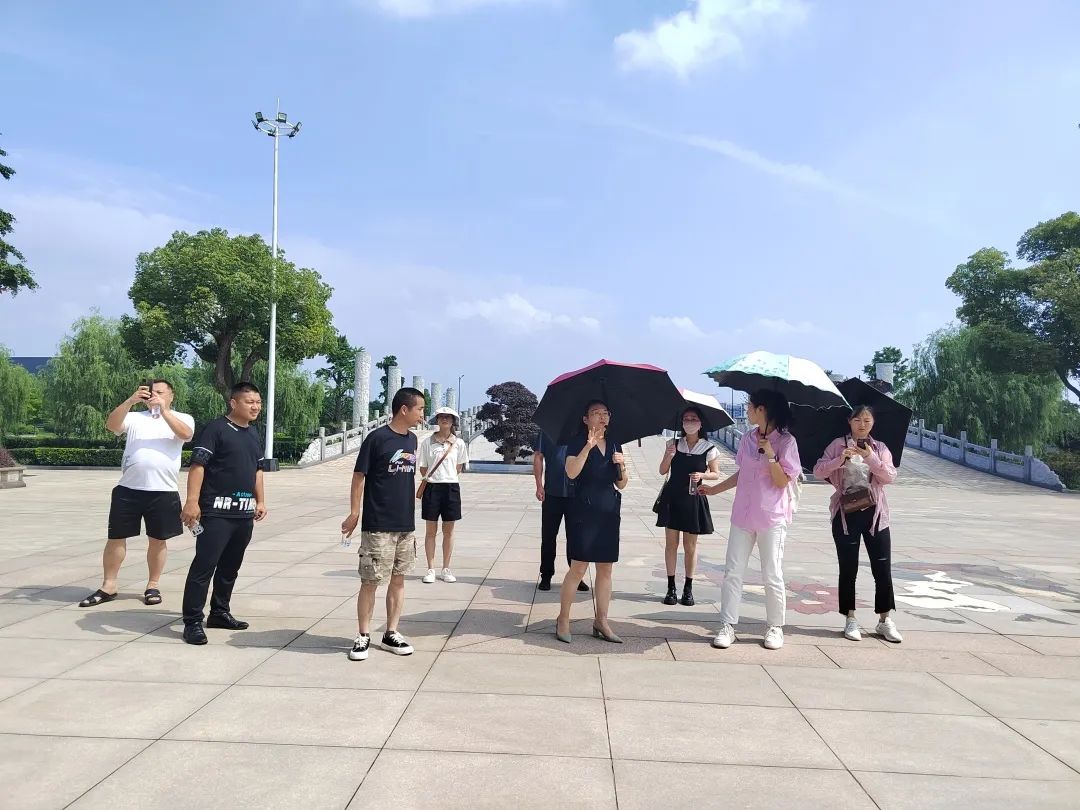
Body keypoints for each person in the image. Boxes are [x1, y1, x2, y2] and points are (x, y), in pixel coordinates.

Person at [79, 380, 195, 608]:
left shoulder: (182, 418)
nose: (154, 396)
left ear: (171, 395)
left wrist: (164, 411)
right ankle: (109, 585)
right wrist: (130, 401)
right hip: (128, 489)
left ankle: (153, 585)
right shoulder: (134, 418)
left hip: (163, 490)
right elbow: (111, 425)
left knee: (158, 540)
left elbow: (186, 434)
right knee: (116, 537)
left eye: (160, 392)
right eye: (151, 393)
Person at [699, 389, 800, 651]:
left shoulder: (786, 442)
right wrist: (715, 490)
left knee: (771, 573)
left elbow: (782, 481)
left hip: (771, 516)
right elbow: (742, 474)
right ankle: (727, 625)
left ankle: (775, 627)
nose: (747, 410)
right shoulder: (747, 438)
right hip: (743, 514)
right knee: (733, 570)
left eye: (750, 406)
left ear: (762, 409)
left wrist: (771, 455)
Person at [341, 387, 427, 661]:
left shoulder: (412, 440)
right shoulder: (377, 439)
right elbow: (359, 476)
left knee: (398, 580)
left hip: (405, 524)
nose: (422, 415)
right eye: (420, 409)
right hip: (378, 523)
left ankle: (391, 632)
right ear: (404, 409)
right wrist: (354, 512)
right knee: (371, 581)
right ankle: (363, 635)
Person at [180, 382, 268, 645]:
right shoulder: (216, 429)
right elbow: (198, 466)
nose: (255, 407)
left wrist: (261, 501)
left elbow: (257, 470)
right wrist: (192, 501)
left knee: (230, 567)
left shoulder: (253, 433)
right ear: (233, 403)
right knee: (204, 566)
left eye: (258, 402)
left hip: (243, 514)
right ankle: (192, 621)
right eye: (249, 402)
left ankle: (219, 612)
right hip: (215, 512)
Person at [813, 404, 903, 643]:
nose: (862, 425)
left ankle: (885, 620)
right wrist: (839, 460)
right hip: (846, 514)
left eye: (867, 420)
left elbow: (890, 476)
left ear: (873, 423)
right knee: (848, 568)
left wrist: (870, 457)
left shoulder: (879, 448)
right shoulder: (837, 445)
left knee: (882, 568)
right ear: (849, 421)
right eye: (857, 420)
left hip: (875, 514)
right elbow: (818, 471)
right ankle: (850, 618)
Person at [555, 400, 628, 645]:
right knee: (578, 568)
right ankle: (563, 619)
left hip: (609, 510)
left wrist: (622, 464)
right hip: (583, 509)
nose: (602, 416)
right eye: (596, 413)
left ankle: (601, 621)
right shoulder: (576, 442)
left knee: (606, 569)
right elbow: (571, 472)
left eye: (605, 413)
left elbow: (621, 483)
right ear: (586, 419)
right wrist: (588, 446)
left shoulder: (615, 444)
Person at [656, 406, 721, 607]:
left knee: (690, 546)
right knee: (671, 544)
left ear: (700, 424)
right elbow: (662, 470)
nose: (689, 422)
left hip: (693, 498)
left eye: (693, 419)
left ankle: (688, 588)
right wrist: (669, 455)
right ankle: (671, 588)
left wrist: (703, 475)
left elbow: (716, 473)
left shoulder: (709, 448)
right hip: (672, 497)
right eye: (686, 418)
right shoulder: (673, 443)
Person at [533, 430, 588, 593]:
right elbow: (538, 457)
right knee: (548, 537)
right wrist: (539, 485)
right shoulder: (548, 430)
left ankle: (576, 576)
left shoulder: (582, 432)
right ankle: (546, 574)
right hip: (552, 493)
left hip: (576, 495)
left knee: (576, 538)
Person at [419, 407, 469, 584]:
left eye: (448, 417)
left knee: (449, 531)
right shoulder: (427, 442)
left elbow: (459, 467)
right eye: (441, 417)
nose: (445, 419)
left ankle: (446, 568)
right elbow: (423, 467)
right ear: (437, 420)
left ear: (453, 421)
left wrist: (447, 476)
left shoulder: (459, 443)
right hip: (432, 488)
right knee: (430, 530)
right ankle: (430, 568)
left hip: (451, 487)